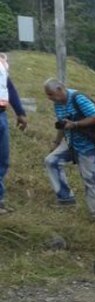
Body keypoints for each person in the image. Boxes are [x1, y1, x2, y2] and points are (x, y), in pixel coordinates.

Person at [43, 78, 95, 219]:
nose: (49, 98)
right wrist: (56, 142)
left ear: (59, 89)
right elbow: (62, 124)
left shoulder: (78, 98)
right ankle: (65, 198)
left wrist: (75, 124)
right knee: (51, 161)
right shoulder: (58, 104)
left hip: (88, 145)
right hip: (71, 143)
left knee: (91, 179)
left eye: (50, 94)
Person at [0, 54, 28, 215]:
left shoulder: (2, 63)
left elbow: (8, 86)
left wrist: (20, 112)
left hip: (1, 114)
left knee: (2, 160)